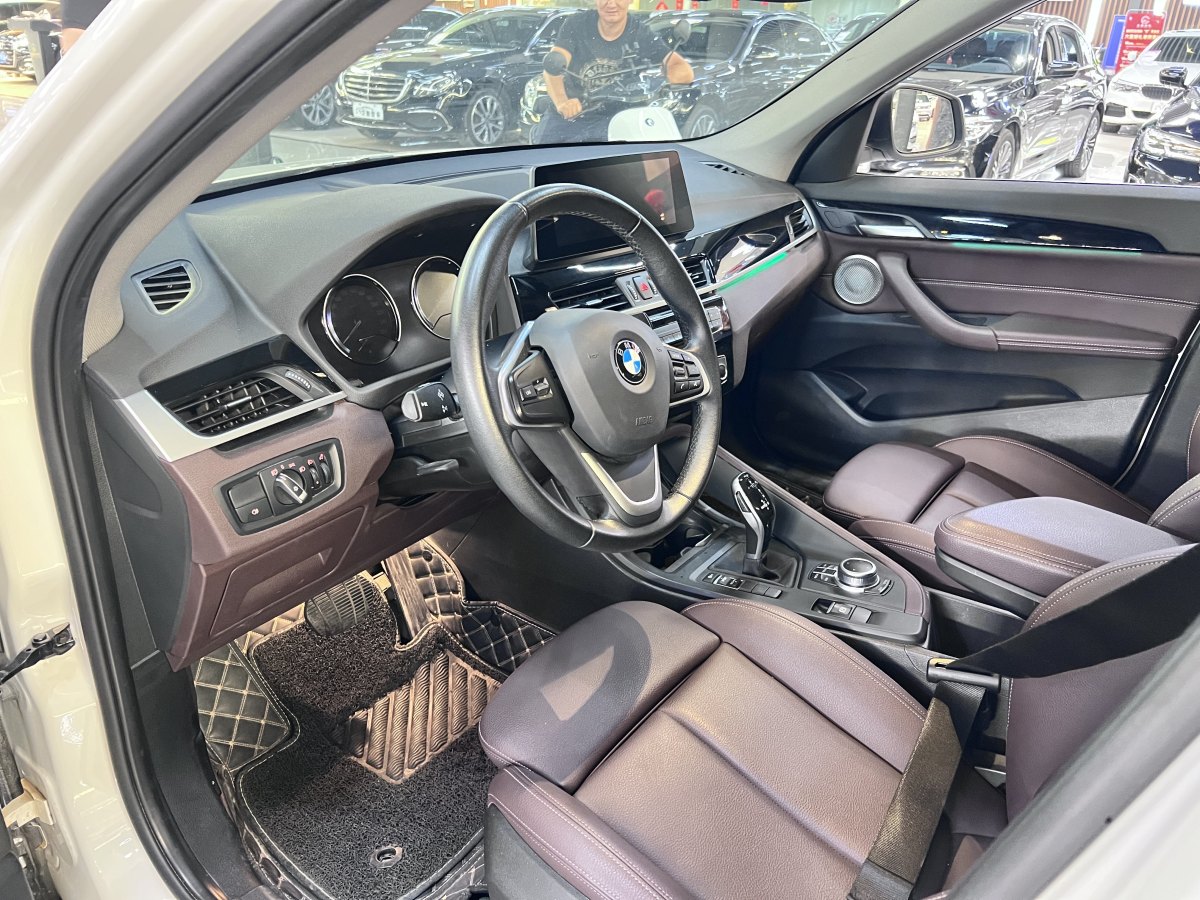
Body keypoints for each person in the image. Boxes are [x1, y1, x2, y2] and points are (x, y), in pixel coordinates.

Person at [538, 0, 693, 144]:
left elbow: (680, 67)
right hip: (572, 114)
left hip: (618, 117)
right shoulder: (576, 24)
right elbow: (553, 65)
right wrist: (562, 102)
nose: (611, 4)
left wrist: (669, 78)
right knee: (546, 155)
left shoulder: (640, 32)